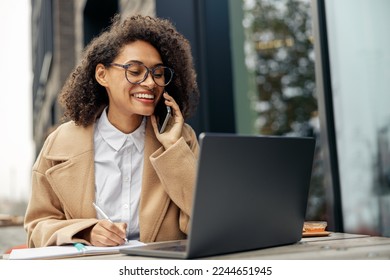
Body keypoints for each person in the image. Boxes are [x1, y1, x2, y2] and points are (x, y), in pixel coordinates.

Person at [24, 14, 200, 247]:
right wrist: (86, 232)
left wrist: (174, 149)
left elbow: (206, 219)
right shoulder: (59, 143)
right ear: (102, 75)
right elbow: (37, 228)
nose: (150, 83)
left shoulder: (181, 138)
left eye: (157, 73)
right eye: (135, 71)